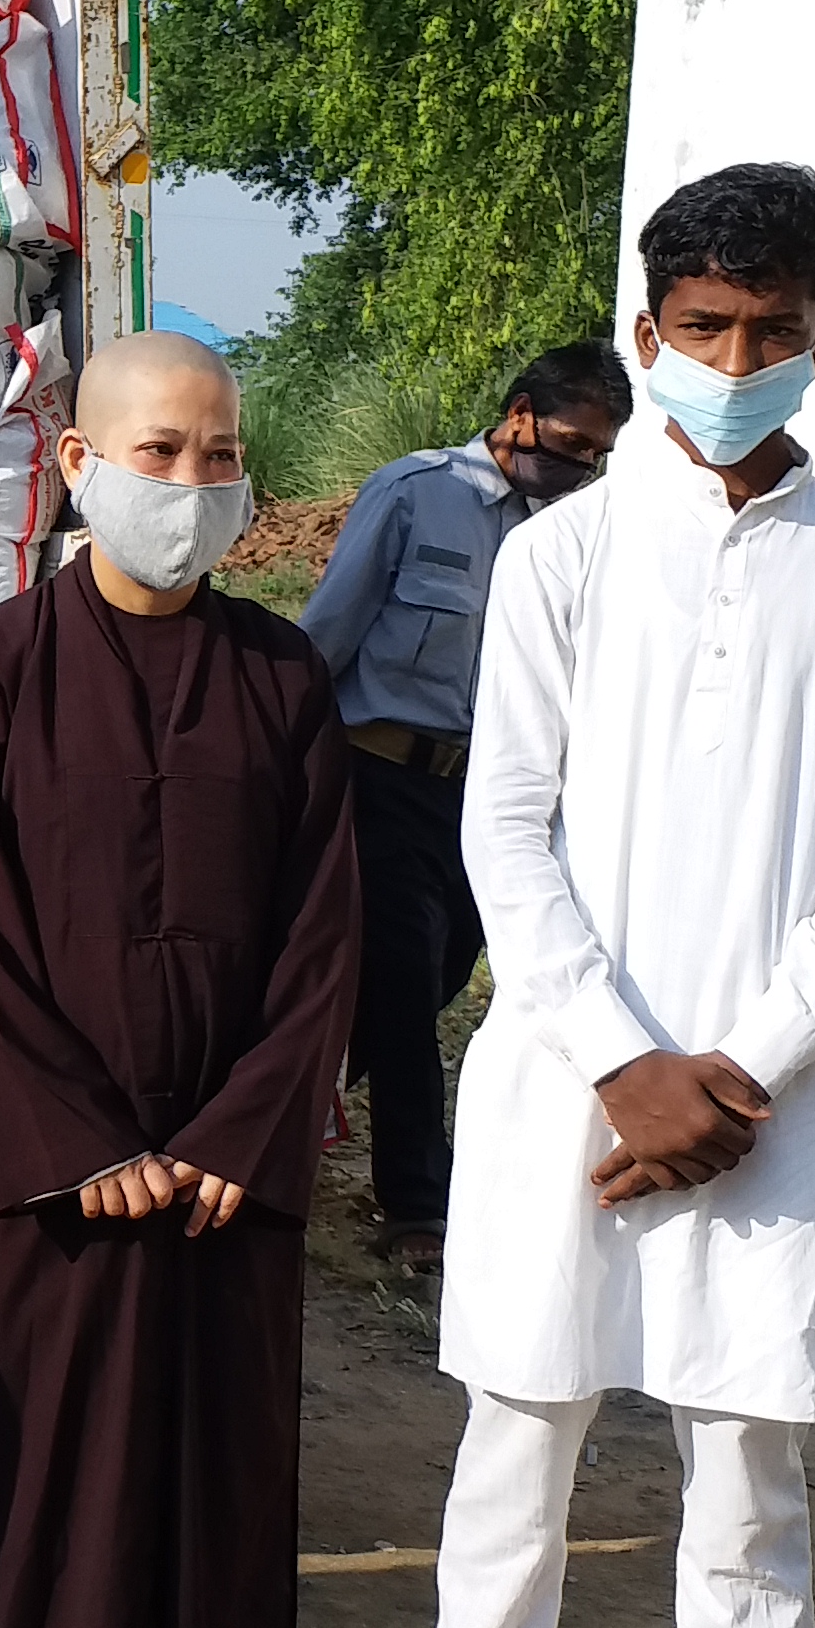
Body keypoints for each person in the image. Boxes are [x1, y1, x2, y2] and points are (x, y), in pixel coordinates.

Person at [344, 162, 815, 1628]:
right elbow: (501, 831)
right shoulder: (561, 555)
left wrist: (737, 1073)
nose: (734, 359)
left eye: (771, 332)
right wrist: (622, 1064)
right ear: (646, 333)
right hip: (564, 1075)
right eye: (702, 328)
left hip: (773, 1101)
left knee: (745, 1458)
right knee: (517, 1428)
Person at [0, 331, 361, 1628]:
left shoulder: (280, 676)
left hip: (226, 1168)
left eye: (218, 455)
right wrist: (78, 1144)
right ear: (79, 467)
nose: (193, 482)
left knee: (206, 1463)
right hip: (47, 1164)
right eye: (158, 453)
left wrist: (243, 1133)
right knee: (37, 1461)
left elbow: (322, 932)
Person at [298, 342, 626, 1271]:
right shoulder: (414, 494)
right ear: (520, 415)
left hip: (490, 796)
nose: (579, 468)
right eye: (570, 444)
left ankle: (302, 1098)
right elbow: (329, 633)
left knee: (446, 973)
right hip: (383, 780)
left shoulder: (577, 531)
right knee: (404, 992)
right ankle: (417, 1209)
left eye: (597, 456)